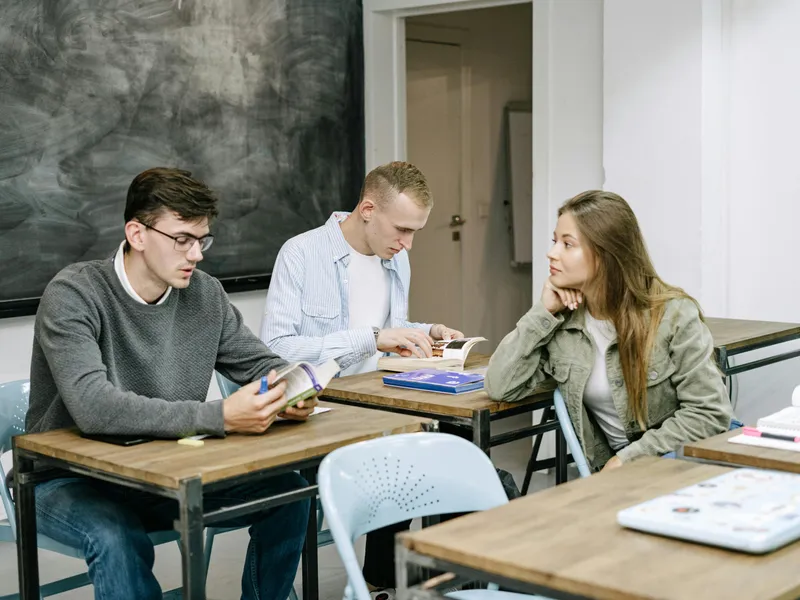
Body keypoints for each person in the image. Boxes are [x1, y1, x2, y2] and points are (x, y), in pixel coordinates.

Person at [27, 167, 315, 600]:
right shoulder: (74, 293)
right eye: (182, 239)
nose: (196, 254)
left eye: (202, 240)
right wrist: (220, 417)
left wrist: (290, 390)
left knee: (291, 494)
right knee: (115, 535)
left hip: (163, 471)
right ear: (137, 234)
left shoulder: (205, 294)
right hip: (65, 479)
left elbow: (260, 363)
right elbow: (94, 407)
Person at [261, 161, 462, 598]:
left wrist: (425, 332)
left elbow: (392, 324)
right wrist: (369, 340)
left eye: (415, 233)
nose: (407, 245)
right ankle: (385, 579)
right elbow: (275, 349)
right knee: (415, 458)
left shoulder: (395, 260)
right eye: (402, 230)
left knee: (458, 456)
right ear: (367, 209)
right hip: (319, 411)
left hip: (382, 404)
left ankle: (401, 582)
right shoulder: (301, 253)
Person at [486, 190, 732, 472]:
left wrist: (628, 458)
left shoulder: (673, 315)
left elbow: (709, 414)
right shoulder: (563, 325)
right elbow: (500, 386)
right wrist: (543, 312)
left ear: (604, 255)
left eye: (568, 244)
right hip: (623, 476)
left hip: (686, 466)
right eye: (555, 241)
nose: (551, 253)